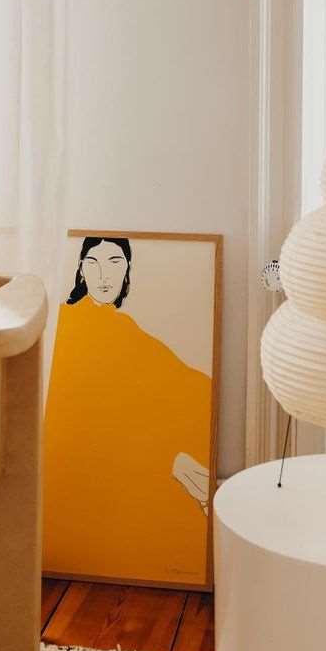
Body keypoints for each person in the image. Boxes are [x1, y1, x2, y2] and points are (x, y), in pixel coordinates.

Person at [43, 236, 212, 585]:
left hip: (128, 455)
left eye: (115, 262)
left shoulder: (124, 330)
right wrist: (169, 457)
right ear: (80, 270)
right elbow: (88, 416)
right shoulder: (63, 322)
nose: (104, 275)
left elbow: (181, 382)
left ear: (127, 271)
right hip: (78, 459)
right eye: (93, 262)